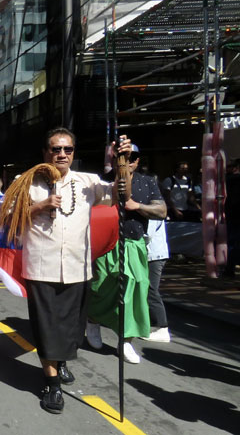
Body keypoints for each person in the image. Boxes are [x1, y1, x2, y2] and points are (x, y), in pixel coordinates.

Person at [6, 128, 132, 414]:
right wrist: (40, 206)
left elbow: (120, 195)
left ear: (74, 153)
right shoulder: (24, 182)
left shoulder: (87, 182)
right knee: (47, 329)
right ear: (45, 152)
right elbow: (7, 217)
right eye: (55, 149)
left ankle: (60, 362)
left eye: (67, 150)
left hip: (79, 267)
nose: (61, 154)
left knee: (72, 331)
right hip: (41, 269)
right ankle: (52, 385)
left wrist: (123, 164)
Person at [87, 144, 166, 364]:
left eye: (133, 157)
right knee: (101, 286)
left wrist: (136, 205)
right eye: (123, 157)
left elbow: (162, 210)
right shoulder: (102, 180)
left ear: (138, 161)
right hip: (106, 243)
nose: (129, 160)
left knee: (135, 290)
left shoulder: (148, 182)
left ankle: (126, 340)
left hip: (134, 243)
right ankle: (92, 322)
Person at [141, 218, 171, 342]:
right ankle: (152, 324)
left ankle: (162, 327)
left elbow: (147, 235)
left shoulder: (153, 212)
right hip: (153, 255)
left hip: (154, 256)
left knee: (151, 290)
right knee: (147, 289)